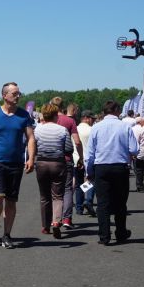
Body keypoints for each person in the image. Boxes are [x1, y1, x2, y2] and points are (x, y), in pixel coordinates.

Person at [0, 82, 35, 249]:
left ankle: (7, 234)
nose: (18, 96)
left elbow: (31, 138)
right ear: (5, 96)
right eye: (14, 93)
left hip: (16, 163)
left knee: (11, 201)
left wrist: (31, 158)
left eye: (19, 93)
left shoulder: (24, 115)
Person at [86, 101, 138, 246]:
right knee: (120, 202)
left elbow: (90, 153)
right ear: (116, 111)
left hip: (101, 167)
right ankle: (120, 232)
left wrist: (89, 171)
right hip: (120, 166)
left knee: (103, 203)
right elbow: (134, 149)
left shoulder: (96, 127)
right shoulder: (125, 126)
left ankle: (104, 235)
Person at [34, 104, 73, 239]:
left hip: (41, 163)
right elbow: (69, 148)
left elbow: (33, 148)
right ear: (56, 115)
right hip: (58, 163)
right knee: (57, 195)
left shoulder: (37, 130)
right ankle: (56, 221)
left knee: (44, 196)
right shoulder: (62, 130)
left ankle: (45, 225)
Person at [50, 98, 83, 229]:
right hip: (66, 158)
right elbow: (77, 141)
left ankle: (54, 219)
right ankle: (67, 219)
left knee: (52, 190)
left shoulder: (48, 119)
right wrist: (80, 157)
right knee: (68, 189)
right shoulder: (70, 121)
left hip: (50, 157)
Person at [73, 111, 96, 216]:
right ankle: (88, 200)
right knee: (91, 181)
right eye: (92, 119)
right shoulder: (92, 130)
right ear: (86, 118)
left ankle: (79, 208)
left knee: (78, 184)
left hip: (76, 159)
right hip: (88, 159)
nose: (93, 121)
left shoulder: (75, 129)